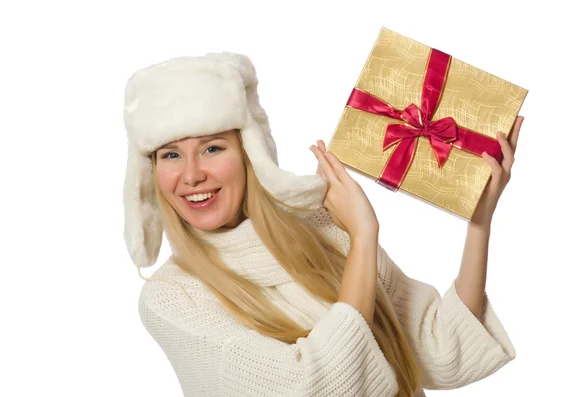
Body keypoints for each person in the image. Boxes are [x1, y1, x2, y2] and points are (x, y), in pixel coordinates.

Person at [122, 52, 520, 397]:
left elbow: (436, 347)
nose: (191, 176)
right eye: (171, 155)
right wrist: (363, 237)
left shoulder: (320, 227)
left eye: (211, 148)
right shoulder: (172, 298)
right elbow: (314, 388)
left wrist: (479, 221)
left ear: (250, 153)